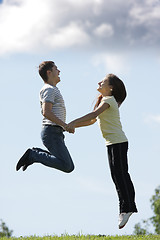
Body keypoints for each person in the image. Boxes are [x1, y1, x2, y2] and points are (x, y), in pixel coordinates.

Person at [66, 73, 138, 229]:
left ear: (110, 88)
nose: (99, 82)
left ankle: (127, 208)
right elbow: (92, 121)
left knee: (120, 174)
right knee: (117, 174)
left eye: (103, 81)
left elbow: (93, 115)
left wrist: (71, 122)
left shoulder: (108, 100)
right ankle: (126, 207)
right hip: (112, 143)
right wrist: (70, 127)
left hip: (118, 142)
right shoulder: (105, 101)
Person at [16, 61, 74, 173]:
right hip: (51, 132)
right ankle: (33, 155)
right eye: (56, 69)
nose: (59, 71)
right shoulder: (49, 89)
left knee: (68, 165)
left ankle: (34, 154)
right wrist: (64, 125)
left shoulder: (53, 89)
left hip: (55, 132)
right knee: (67, 166)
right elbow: (46, 112)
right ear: (49, 72)